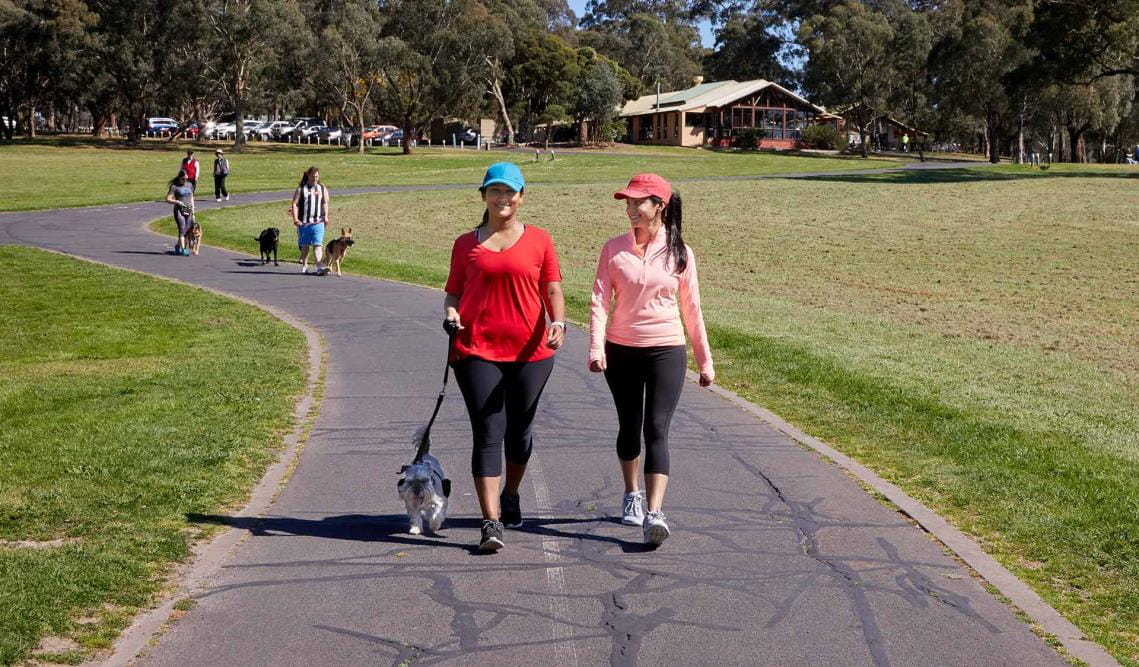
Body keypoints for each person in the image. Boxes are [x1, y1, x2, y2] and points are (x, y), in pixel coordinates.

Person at [443, 162, 566, 552]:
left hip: (532, 352)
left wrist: (559, 322)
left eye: (510, 192)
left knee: (520, 431)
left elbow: (553, 290)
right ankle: (490, 521)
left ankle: (511, 493)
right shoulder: (466, 244)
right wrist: (450, 313)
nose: (503, 198)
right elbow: (453, 293)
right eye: (495, 191)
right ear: (484, 196)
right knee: (487, 432)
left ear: (521, 197)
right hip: (476, 348)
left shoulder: (540, 240)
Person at [589, 173, 714, 548]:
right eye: (627, 202)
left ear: (659, 205)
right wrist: (596, 349)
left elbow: (692, 308)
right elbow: (598, 302)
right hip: (621, 348)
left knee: (656, 428)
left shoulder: (680, 252)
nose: (630, 209)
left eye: (638, 202)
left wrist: (705, 361)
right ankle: (632, 494)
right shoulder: (613, 249)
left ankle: (655, 513)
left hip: (666, 349)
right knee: (630, 426)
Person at [289, 166, 330, 275]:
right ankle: (305, 265)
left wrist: (326, 216)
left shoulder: (322, 188)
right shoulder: (301, 189)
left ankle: (319, 267)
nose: (315, 178)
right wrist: (296, 218)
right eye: (313, 176)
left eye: (317, 176)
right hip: (305, 223)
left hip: (318, 222)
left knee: (318, 244)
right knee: (305, 246)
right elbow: (295, 204)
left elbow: (325, 202)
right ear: (308, 175)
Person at [164, 169, 195, 256]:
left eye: (186, 179)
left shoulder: (189, 185)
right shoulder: (174, 186)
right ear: (179, 178)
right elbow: (167, 199)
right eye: (183, 179)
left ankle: (177, 246)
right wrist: (177, 202)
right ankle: (183, 249)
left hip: (188, 209)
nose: (185, 181)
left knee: (186, 229)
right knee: (182, 228)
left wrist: (193, 210)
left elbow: (192, 197)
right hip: (179, 210)